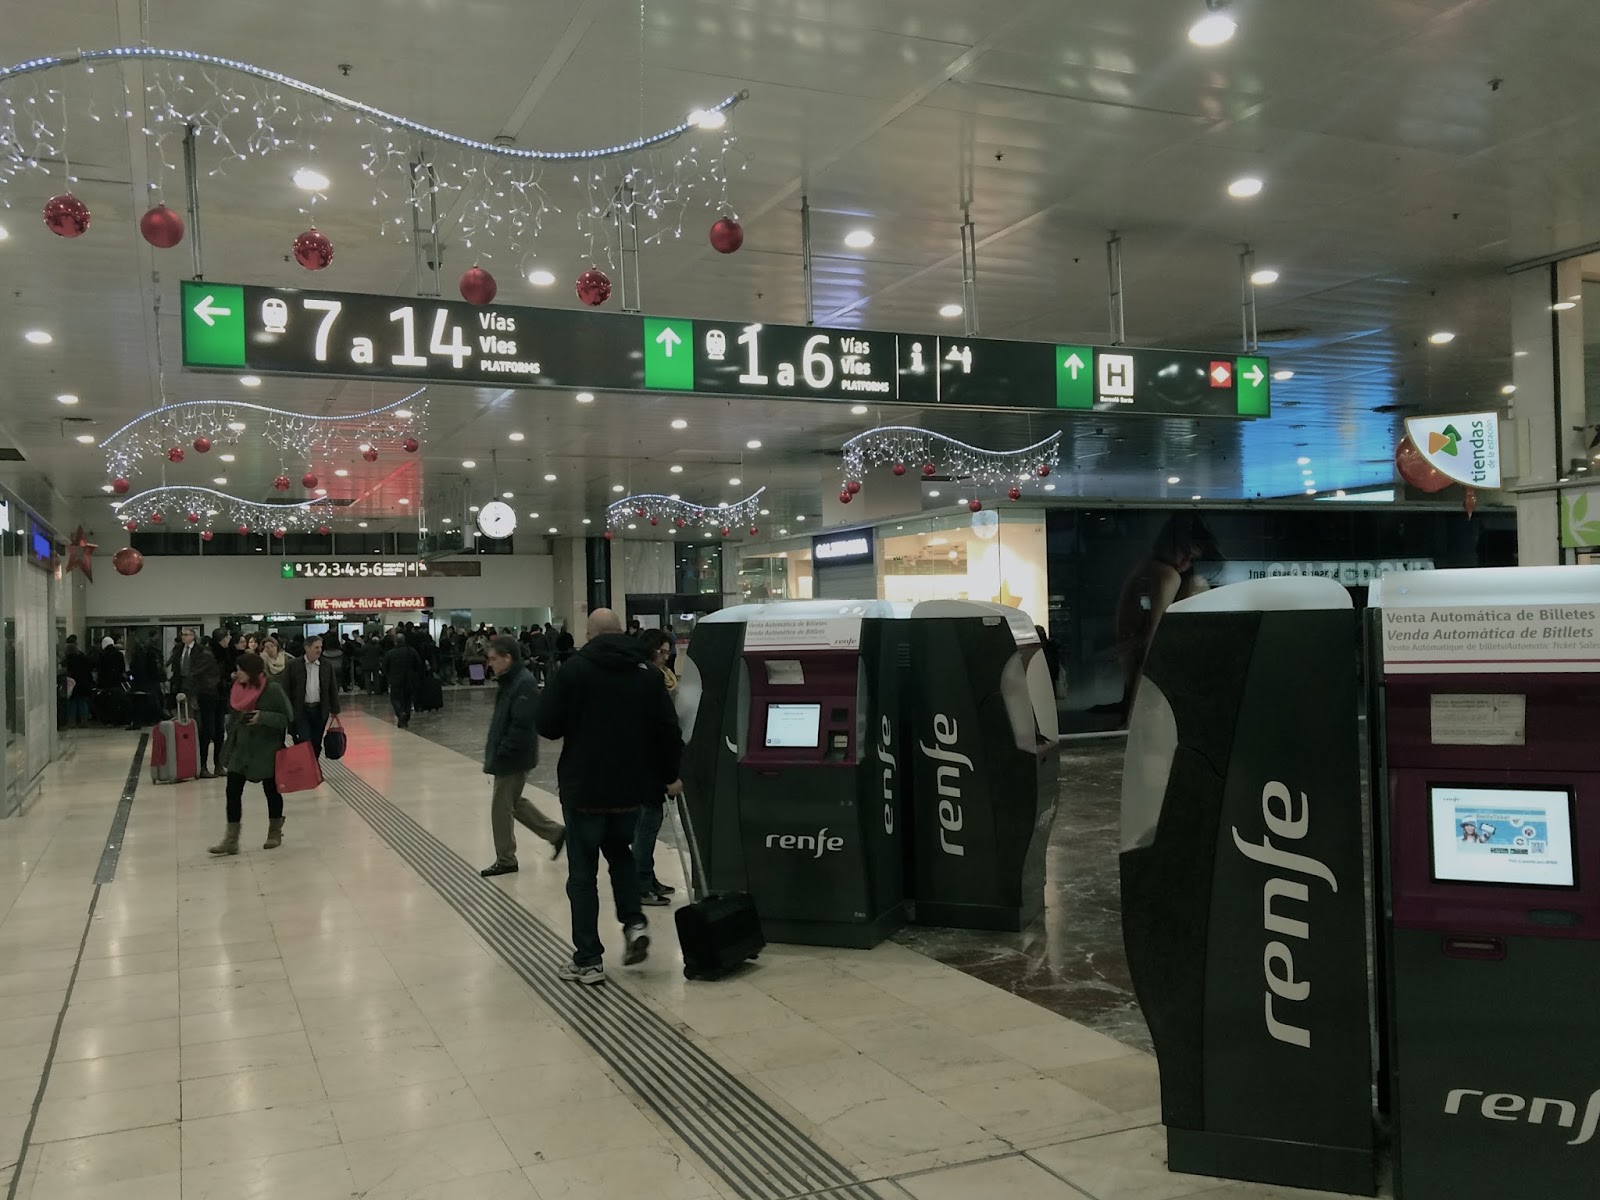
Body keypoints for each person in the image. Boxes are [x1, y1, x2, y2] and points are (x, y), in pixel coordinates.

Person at [536, 609, 683, 985]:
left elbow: (548, 725)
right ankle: (634, 923)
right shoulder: (648, 673)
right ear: (621, 632)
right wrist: (670, 776)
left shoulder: (574, 670)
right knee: (620, 854)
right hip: (630, 789)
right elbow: (668, 729)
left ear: (589, 634)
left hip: (584, 788)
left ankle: (588, 960)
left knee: (582, 873)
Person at [1113, 514, 1218, 722]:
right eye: (1185, 554)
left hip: (1130, 655)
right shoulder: (1166, 575)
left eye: (1192, 559)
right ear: (1172, 543)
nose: (1185, 563)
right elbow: (1152, 639)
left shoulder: (1147, 567)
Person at [478, 636, 565, 878]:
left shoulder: (523, 682)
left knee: (501, 808)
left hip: (514, 756)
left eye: (494, 659)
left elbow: (522, 724)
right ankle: (556, 833)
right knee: (514, 802)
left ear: (508, 658)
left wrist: (503, 753)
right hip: (510, 754)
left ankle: (506, 858)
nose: (490, 664)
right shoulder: (509, 681)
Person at [209, 650, 293, 855]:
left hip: (266, 749)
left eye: (240, 670)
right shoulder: (237, 689)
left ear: (252, 671)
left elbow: (287, 717)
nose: (236, 674)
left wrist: (262, 717)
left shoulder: (272, 689)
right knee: (232, 790)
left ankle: (274, 831)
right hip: (241, 748)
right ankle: (231, 839)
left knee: (271, 790)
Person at [634, 628, 680, 907]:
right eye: (661, 652)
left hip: (644, 763)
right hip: (647, 765)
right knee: (646, 826)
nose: (665, 657)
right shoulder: (649, 680)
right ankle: (641, 884)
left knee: (648, 825)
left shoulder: (647, 677)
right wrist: (671, 773)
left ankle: (647, 877)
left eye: (668, 652)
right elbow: (663, 729)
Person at [172, 627, 224, 775]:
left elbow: (196, 672)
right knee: (191, 725)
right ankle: (195, 763)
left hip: (201, 691)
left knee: (208, 728)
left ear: (194, 636)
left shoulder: (202, 651)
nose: (184, 637)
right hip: (188, 691)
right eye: (183, 635)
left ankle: (211, 764)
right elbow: (178, 671)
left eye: (187, 634)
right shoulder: (178, 650)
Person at [286, 635, 341, 759]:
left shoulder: (326, 665)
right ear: (307, 648)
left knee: (316, 741)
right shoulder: (294, 665)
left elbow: (332, 687)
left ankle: (313, 768)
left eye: (320, 647)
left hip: (319, 710)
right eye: (316, 647)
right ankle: (307, 767)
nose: (319, 650)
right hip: (301, 710)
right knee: (304, 740)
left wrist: (335, 709)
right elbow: (287, 688)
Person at [383, 631, 425, 729]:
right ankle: (406, 716)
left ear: (395, 642)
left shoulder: (390, 653)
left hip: (395, 680)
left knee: (395, 698)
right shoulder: (411, 651)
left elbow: (385, 667)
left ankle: (400, 713)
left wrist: (388, 677)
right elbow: (419, 664)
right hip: (410, 679)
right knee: (408, 699)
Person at [63, 635, 93, 728]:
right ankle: (84, 721)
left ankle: (72, 722)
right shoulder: (83, 657)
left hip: (72, 684)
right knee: (82, 702)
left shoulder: (68, 660)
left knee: (72, 703)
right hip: (83, 683)